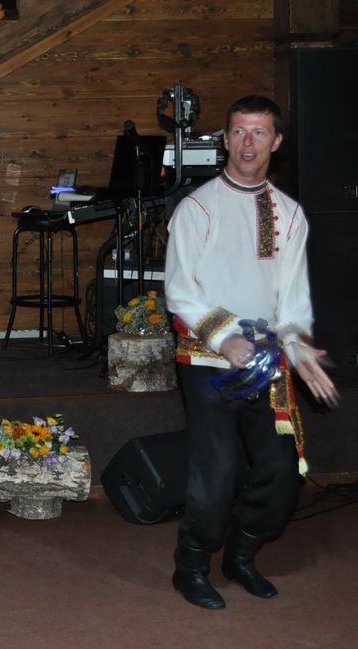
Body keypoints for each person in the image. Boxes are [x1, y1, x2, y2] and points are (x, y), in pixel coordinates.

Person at [164, 95, 339, 610]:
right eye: (238, 131)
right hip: (207, 361)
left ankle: (240, 557)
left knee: (282, 476)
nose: (247, 142)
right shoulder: (197, 208)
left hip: (266, 364)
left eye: (259, 132)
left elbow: (293, 300)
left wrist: (300, 350)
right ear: (225, 139)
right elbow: (180, 290)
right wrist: (224, 337)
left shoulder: (289, 213)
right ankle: (190, 566)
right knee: (216, 474)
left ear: (276, 142)